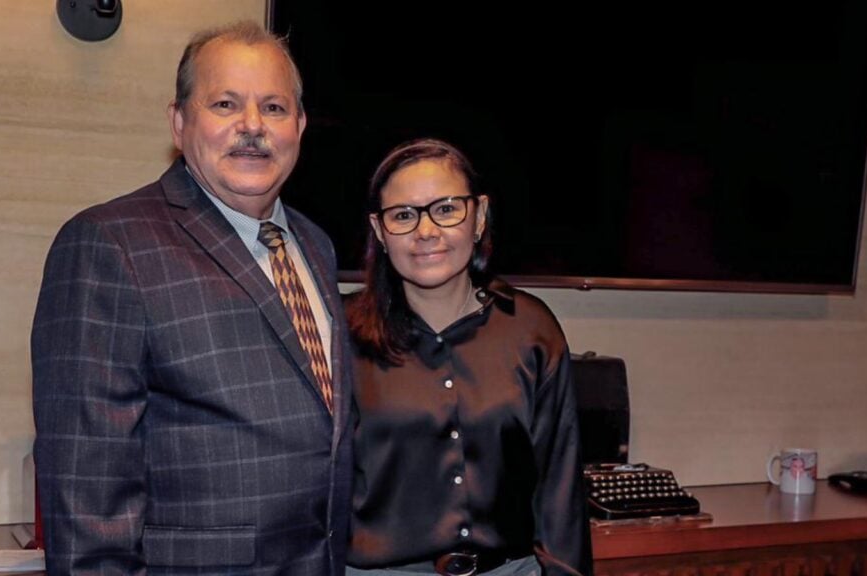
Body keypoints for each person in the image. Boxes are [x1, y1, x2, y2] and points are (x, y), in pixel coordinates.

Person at [31, 21, 352, 575]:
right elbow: (86, 489)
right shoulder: (110, 244)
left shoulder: (316, 246)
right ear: (179, 123)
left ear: (299, 126)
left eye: (274, 108)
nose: (252, 126)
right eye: (225, 103)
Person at [345, 139, 593, 576]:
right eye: (403, 215)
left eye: (445, 209)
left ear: (478, 217)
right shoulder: (340, 333)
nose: (426, 231)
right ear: (380, 231)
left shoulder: (530, 327)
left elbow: (559, 483)